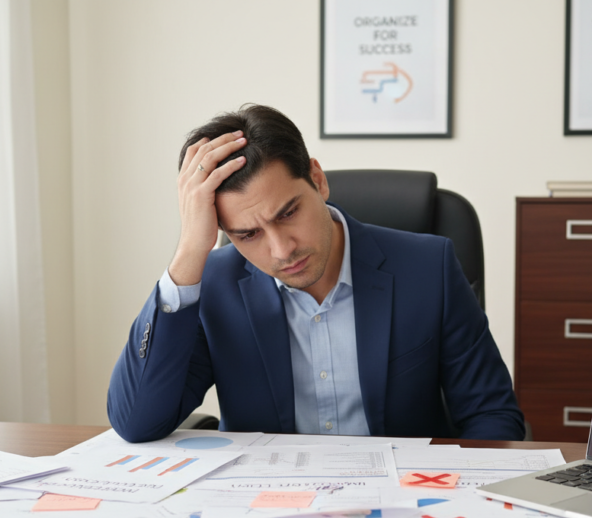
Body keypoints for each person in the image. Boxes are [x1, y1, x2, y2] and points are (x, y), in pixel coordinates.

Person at [107, 104, 524, 442]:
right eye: (248, 234)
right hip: (263, 510)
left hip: (406, 507)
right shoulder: (212, 284)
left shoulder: (428, 267)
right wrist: (188, 253)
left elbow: (492, 416)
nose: (281, 249)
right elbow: (137, 423)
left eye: (288, 213)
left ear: (318, 181)